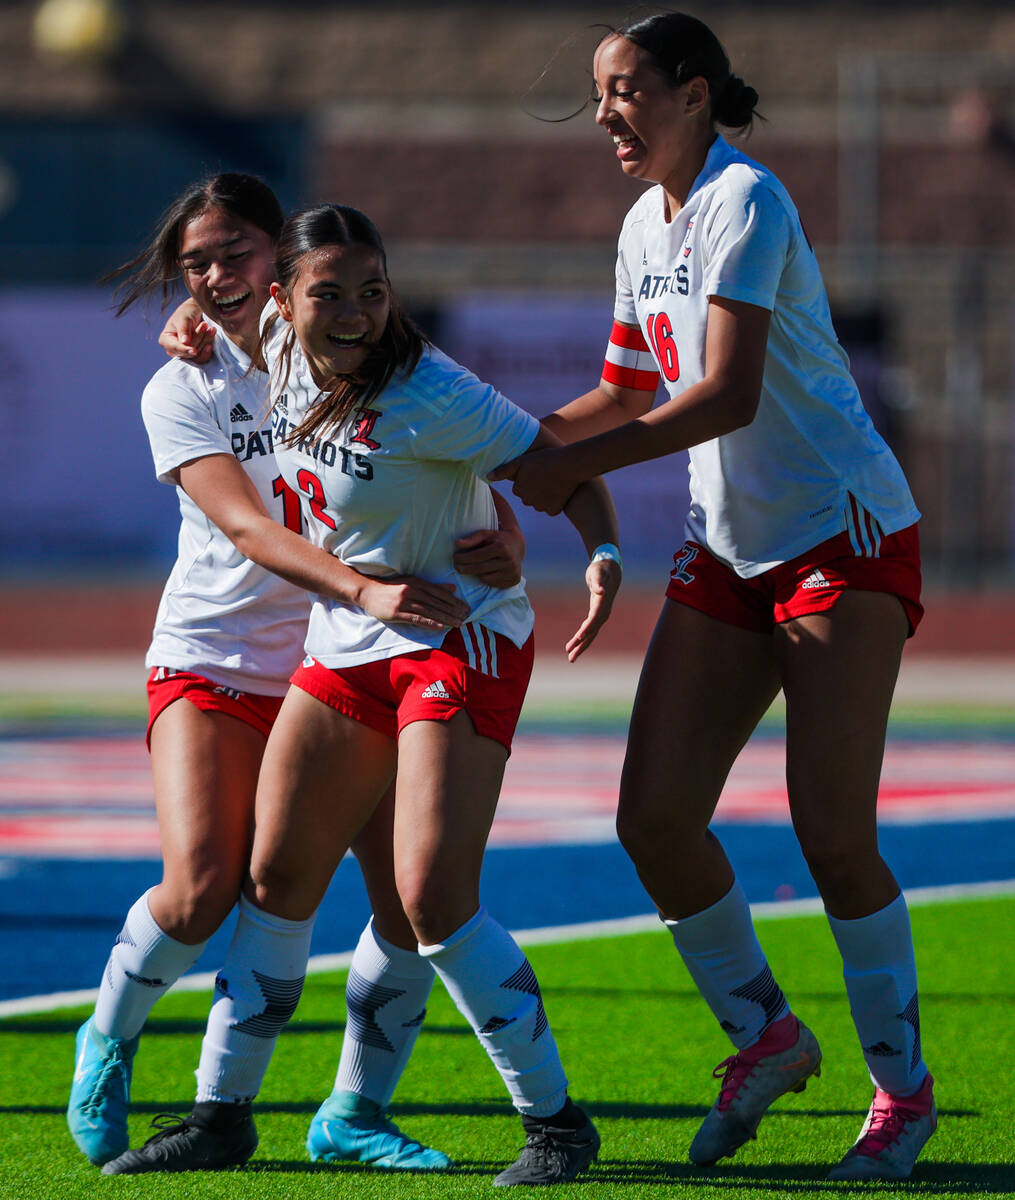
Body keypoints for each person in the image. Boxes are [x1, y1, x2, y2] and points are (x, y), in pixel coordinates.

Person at [496, 12, 935, 1183]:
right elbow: (622, 387)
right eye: (599, 92)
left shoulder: (749, 199)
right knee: (652, 819)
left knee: (832, 836)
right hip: (728, 549)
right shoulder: (647, 220)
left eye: (627, 89)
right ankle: (767, 1039)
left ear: (694, 95)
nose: (606, 114)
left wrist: (560, 468)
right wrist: (505, 445)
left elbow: (728, 396)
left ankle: (903, 1094)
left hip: (836, 537)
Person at [98, 202, 621, 1185]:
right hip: (344, 645)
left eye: (371, 292)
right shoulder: (266, 355)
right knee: (273, 883)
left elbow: (557, 465)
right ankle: (220, 1115)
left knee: (428, 898)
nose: (353, 313)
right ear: (283, 299)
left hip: (457, 637)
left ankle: (556, 1125)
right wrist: (191, 319)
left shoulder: (433, 388)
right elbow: (215, 308)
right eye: (328, 293)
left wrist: (597, 549)